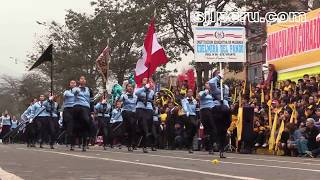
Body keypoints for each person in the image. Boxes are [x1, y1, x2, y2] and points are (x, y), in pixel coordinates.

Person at [209, 70, 231, 158]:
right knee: (218, 130)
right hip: (217, 108)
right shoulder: (214, 86)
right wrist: (218, 77)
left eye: (220, 74)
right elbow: (211, 82)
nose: (220, 75)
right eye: (217, 74)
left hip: (225, 107)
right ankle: (217, 146)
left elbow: (227, 97)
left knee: (224, 130)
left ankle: (221, 149)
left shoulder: (225, 87)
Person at [72, 76, 94, 151]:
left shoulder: (89, 90)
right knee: (75, 125)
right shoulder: (75, 88)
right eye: (81, 79)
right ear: (79, 81)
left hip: (86, 107)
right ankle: (73, 143)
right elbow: (73, 92)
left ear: (85, 81)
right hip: (77, 106)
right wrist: (77, 90)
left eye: (84, 79)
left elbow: (91, 101)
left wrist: (92, 112)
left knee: (86, 123)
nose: (83, 80)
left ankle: (84, 143)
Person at [135, 78, 155, 153]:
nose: (146, 81)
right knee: (143, 125)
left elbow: (152, 99)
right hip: (140, 108)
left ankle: (145, 144)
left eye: (147, 80)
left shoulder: (152, 92)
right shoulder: (139, 89)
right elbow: (136, 93)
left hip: (148, 108)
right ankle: (142, 142)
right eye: (144, 80)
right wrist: (144, 88)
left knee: (148, 126)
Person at [199, 81, 217, 154]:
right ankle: (208, 146)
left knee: (212, 129)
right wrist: (205, 92)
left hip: (212, 110)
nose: (208, 84)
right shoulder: (202, 92)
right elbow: (199, 97)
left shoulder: (212, 93)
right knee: (208, 129)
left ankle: (210, 146)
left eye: (209, 84)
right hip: (205, 110)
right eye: (207, 83)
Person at [119, 83, 137, 152]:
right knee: (129, 125)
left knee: (132, 129)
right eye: (129, 86)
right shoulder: (124, 95)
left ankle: (130, 144)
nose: (130, 88)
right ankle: (125, 140)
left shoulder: (135, 96)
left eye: (131, 86)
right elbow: (118, 102)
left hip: (133, 113)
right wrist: (121, 100)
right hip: (126, 112)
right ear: (126, 88)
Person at [181, 89, 198, 154]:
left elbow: (195, 108)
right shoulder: (184, 100)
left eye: (191, 92)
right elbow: (185, 108)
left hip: (194, 115)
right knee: (190, 130)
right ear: (187, 93)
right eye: (189, 92)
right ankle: (190, 147)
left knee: (193, 130)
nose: (190, 93)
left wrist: (195, 102)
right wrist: (187, 112)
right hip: (188, 116)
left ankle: (190, 144)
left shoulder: (194, 100)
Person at [63, 80, 76, 151]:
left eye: (74, 83)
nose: (73, 84)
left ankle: (73, 144)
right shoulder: (66, 92)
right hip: (68, 109)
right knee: (70, 126)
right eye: (71, 83)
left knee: (74, 127)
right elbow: (65, 98)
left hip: (75, 109)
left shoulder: (78, 92)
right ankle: (70, 141)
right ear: (69, 85)